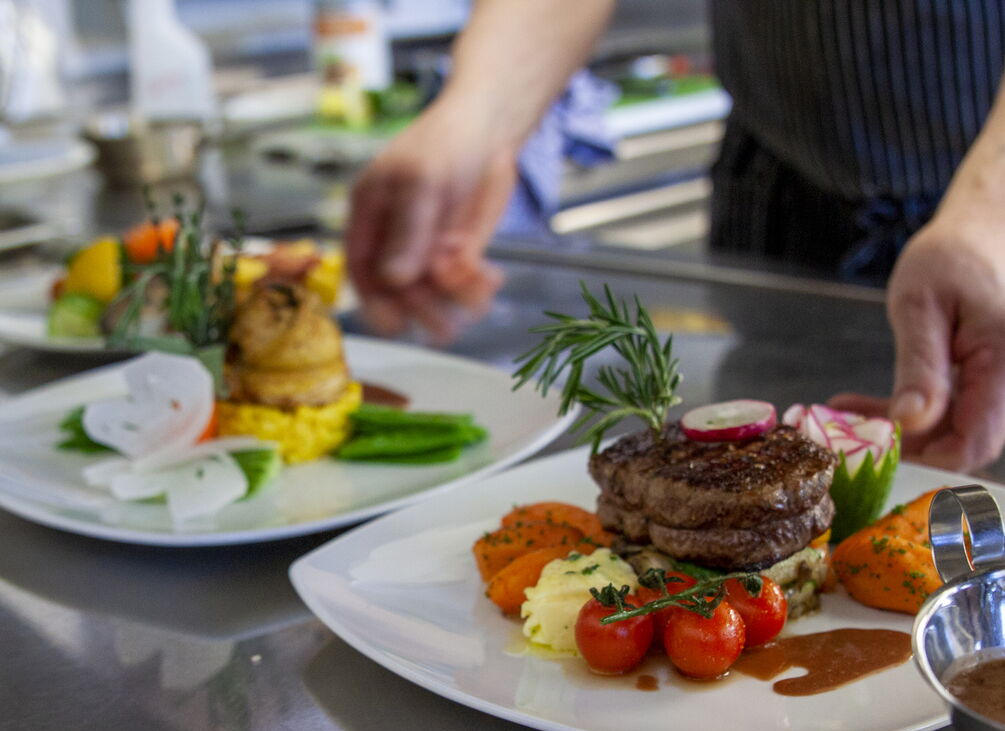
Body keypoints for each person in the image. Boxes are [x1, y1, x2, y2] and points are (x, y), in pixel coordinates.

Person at [347, 0, 1005, 473]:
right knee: (755, 477)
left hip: (982, 205)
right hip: (779, 185)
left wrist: (989, 206)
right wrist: (476, 117)